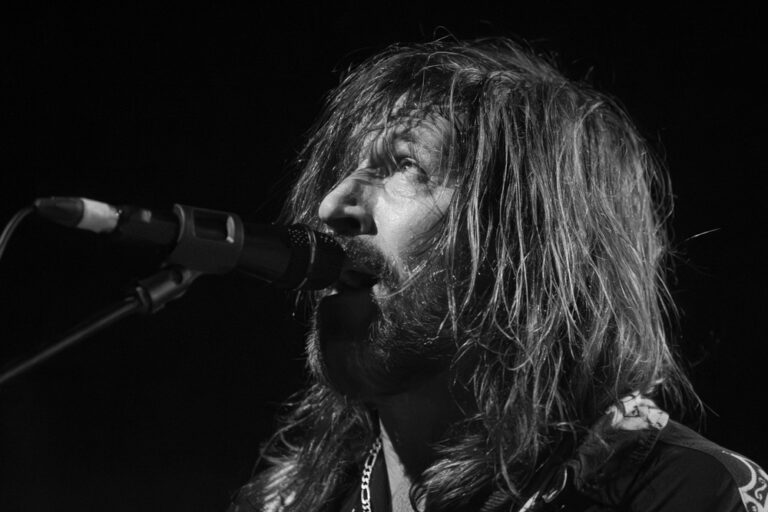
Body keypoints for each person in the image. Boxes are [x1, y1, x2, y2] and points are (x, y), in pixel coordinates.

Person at [229, 38, 767, 511]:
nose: (331, 205)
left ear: (531, 241)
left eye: (407, 165)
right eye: (350, 166)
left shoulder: (695, 493)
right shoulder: (292, 500)